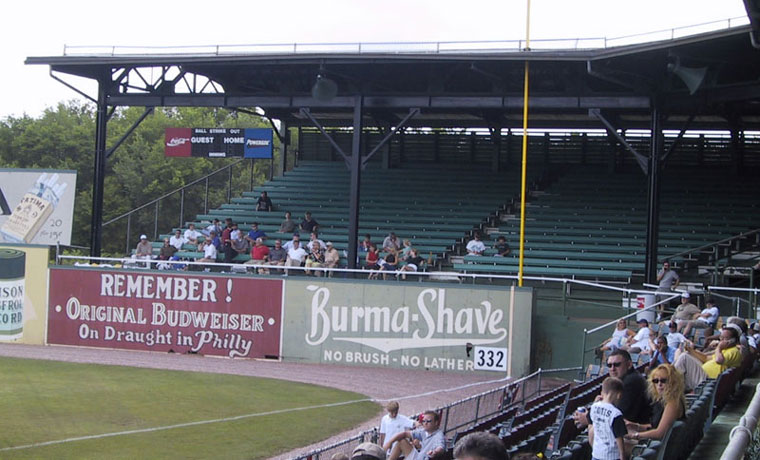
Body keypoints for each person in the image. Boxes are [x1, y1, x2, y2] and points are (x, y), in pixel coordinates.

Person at [574, 349, 651, 426]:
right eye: (609, 365)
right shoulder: (625, 380)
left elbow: (619, 416)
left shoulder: (632, 382)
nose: (612, 369)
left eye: (617, 365)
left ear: (629, 365)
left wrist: (588, 419)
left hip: (636, 431)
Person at [625, 364, 686, 444]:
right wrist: (635, 426)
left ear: (673, 382)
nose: (659, 384)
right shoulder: (664, 401)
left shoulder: (673, 403)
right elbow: (655, 426)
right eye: (656, 381)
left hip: (659, 448)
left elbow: (659, 433)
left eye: (663, 381)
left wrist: (634, 435)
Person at [675, 325, 742, 384]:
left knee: (684, 357)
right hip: (703, 374)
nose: (721, 340)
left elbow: (719, 360)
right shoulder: (724, 349)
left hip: (707, 380)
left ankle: (669, 379)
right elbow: (706, 358)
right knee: (687, 354)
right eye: (721, 337)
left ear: (733, 340)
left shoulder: (734, 351)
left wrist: (719, 347)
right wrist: (690, 350)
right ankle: (670, 377)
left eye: (725, 338)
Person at [588, 377, 627, 460]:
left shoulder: (594, 407)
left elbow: (590, 427)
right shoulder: (616, 414)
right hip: (612, 456)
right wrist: (622, 456)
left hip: (596, 453)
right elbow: (619, 438)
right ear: (619, 395)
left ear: (602, 393)